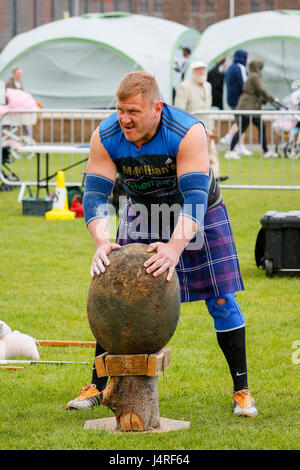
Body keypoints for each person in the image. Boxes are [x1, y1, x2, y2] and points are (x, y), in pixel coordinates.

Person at [65, 71, 258, 418]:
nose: (124, 119)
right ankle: (97, 385)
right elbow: (95, 192)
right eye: (121, 110)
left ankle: (242, 391)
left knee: (220, 299)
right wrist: (102, 241)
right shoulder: (106, 135)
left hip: (197, 211)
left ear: (157, 107)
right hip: (143, 211)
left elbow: (195, 197)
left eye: (133, 112)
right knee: (117, 291)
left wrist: (173, 246)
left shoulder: (187, 131)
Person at [175, 60, 228, 182]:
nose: (201, 72)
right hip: (190, 128)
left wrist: (211, 124)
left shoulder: (207, 86)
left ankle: (215, 175)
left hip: (206, 125)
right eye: (198, 70)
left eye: (203, 69)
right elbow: (179, 108)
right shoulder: (185, 86)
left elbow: (207, 107)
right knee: (192, 154)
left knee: (211, 150)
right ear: (193, 71)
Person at [227, 59, 278, 159]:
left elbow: (257, 93)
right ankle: (230, 151)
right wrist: (272, 99)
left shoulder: (252, 76)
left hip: (250, 107)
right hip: (248, 108)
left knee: (256, 127)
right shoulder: (255, 76)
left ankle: (265, 150)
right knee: (243, 128)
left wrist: (266, 99)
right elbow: (261, 90)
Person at [222, 50, 252, 158]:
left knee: (240, 123)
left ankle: (240, 146)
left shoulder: (230, 67)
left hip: (232, 99)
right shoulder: (240, 68)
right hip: (239, 101)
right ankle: (229, 139)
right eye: (246, 57)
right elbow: (246, 85)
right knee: (242, 124)